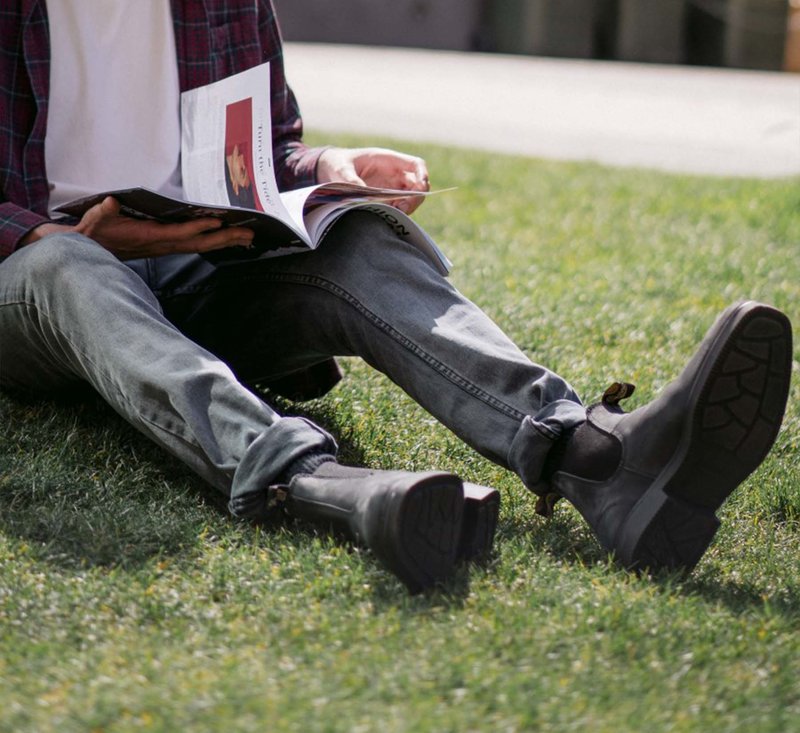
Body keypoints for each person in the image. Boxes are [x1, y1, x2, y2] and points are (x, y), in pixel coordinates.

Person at [0, 1, 792, 592]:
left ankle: (593, 457)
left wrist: (330, 165)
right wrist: (70, 236)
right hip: (42, 284)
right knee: (68, 263)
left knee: (359, 236)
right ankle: (307, 480)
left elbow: (260, 148)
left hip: (201, 264)